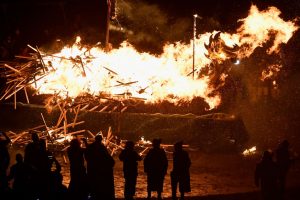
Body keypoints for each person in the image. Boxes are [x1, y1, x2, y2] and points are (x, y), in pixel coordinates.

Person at [85, 134, 115, 200]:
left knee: (92, 184)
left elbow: (87, 155)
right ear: (101, 140)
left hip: (92, 169)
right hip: (100, 170)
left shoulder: (91, 147)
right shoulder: (101, 147)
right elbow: (107, 157)